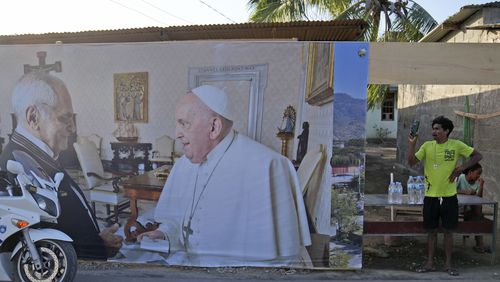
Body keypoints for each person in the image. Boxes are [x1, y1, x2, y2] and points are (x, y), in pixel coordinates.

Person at [138, 85, 311, 267]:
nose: (176, 134)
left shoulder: (266, 166)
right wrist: (164, 233)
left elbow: (278, 259)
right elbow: (176, 220)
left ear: (214, 127)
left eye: (184, 124)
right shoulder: (183, 165)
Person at [0, 72, 123, 260]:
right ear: (33, 117)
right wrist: (98, 247)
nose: (73, 128)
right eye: (65, 118)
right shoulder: (16, 167)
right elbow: (37, 247)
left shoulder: (33, 154)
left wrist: (96, 241)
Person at [408, 115, 482, 276]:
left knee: (449, 232)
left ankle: (448, 265)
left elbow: (477, 156)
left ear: (446, 131)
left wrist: (461, 168)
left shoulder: (456, 145)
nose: (434, 131)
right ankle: (429, 263)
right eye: (433, 128)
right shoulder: (427, 146)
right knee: (431, 231)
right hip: (431, 196)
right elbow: (411, 161)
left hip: (449, 197)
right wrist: (412, 145)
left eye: (437, 129)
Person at [456, 163, 490, 253]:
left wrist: (481, 185)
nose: (479, 176)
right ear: (470, 172)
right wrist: (465, 192)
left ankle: (479, 245)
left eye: (480, 174)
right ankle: (480, 244)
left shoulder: (477, 183)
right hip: (458, 207)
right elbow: (453, 190)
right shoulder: (461, 177)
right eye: (477, 173)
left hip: (470, 209)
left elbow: (479, 198)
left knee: (477, 213)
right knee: (478, 216)